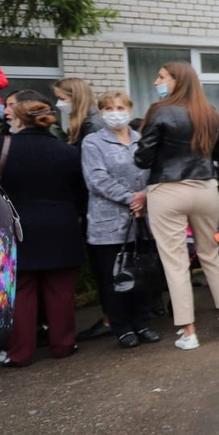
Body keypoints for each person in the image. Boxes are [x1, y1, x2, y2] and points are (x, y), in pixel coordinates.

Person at [0, 92, 87, 367]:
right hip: (61, 226)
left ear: (18, 118)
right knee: (61, 290)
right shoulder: (69, 151)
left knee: (20, 291)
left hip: (15, 226)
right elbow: (82, 193)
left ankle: (20, 353)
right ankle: (63, 344)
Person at [134, 62, 219, 350]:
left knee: (176, 262)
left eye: (161, 76)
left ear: (176, 81)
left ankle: (189, 332)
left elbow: (142, 158)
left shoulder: (159, 111)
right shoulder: (210, 112)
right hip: (205, 188)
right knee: (210, 254)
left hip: (167, 189)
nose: (157, 81)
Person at [81, 91, 160, 349]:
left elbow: (156, 172)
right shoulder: (93, 142)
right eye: (109, 108)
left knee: (142, 273)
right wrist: (131, 198)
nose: (115, 112)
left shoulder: (142, 140)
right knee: (113, 278)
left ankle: (143, 323)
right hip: (109, 222)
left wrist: (145, 196)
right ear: (102, 113)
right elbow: (96, 179)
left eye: (120, 107)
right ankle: (122, 327)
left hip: (141, 220)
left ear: (129, 109)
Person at [52, 78, 104, 146]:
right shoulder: (82, 121)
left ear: (76, 98)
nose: (58, 103)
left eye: (62, 99)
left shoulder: (92, 124)